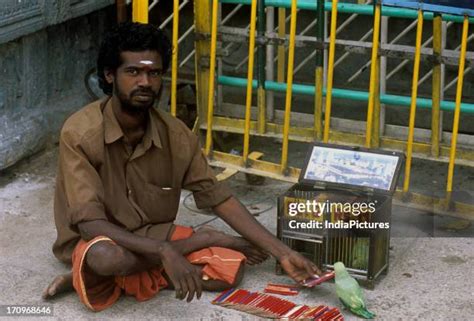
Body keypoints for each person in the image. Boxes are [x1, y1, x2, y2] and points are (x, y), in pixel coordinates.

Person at [43, 22, 321, 312]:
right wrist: (167, 251)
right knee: (108, 260)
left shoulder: (176, 135)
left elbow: (218, 197)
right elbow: (90, 223)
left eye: (154, 73)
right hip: (100, 240)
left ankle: (101, 280)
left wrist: (282, 252)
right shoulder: (79, 132)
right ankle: (100, 271)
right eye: (133, 72)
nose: (145, 82)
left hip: (150, 232)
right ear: (110, 75)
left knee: (229, 270)